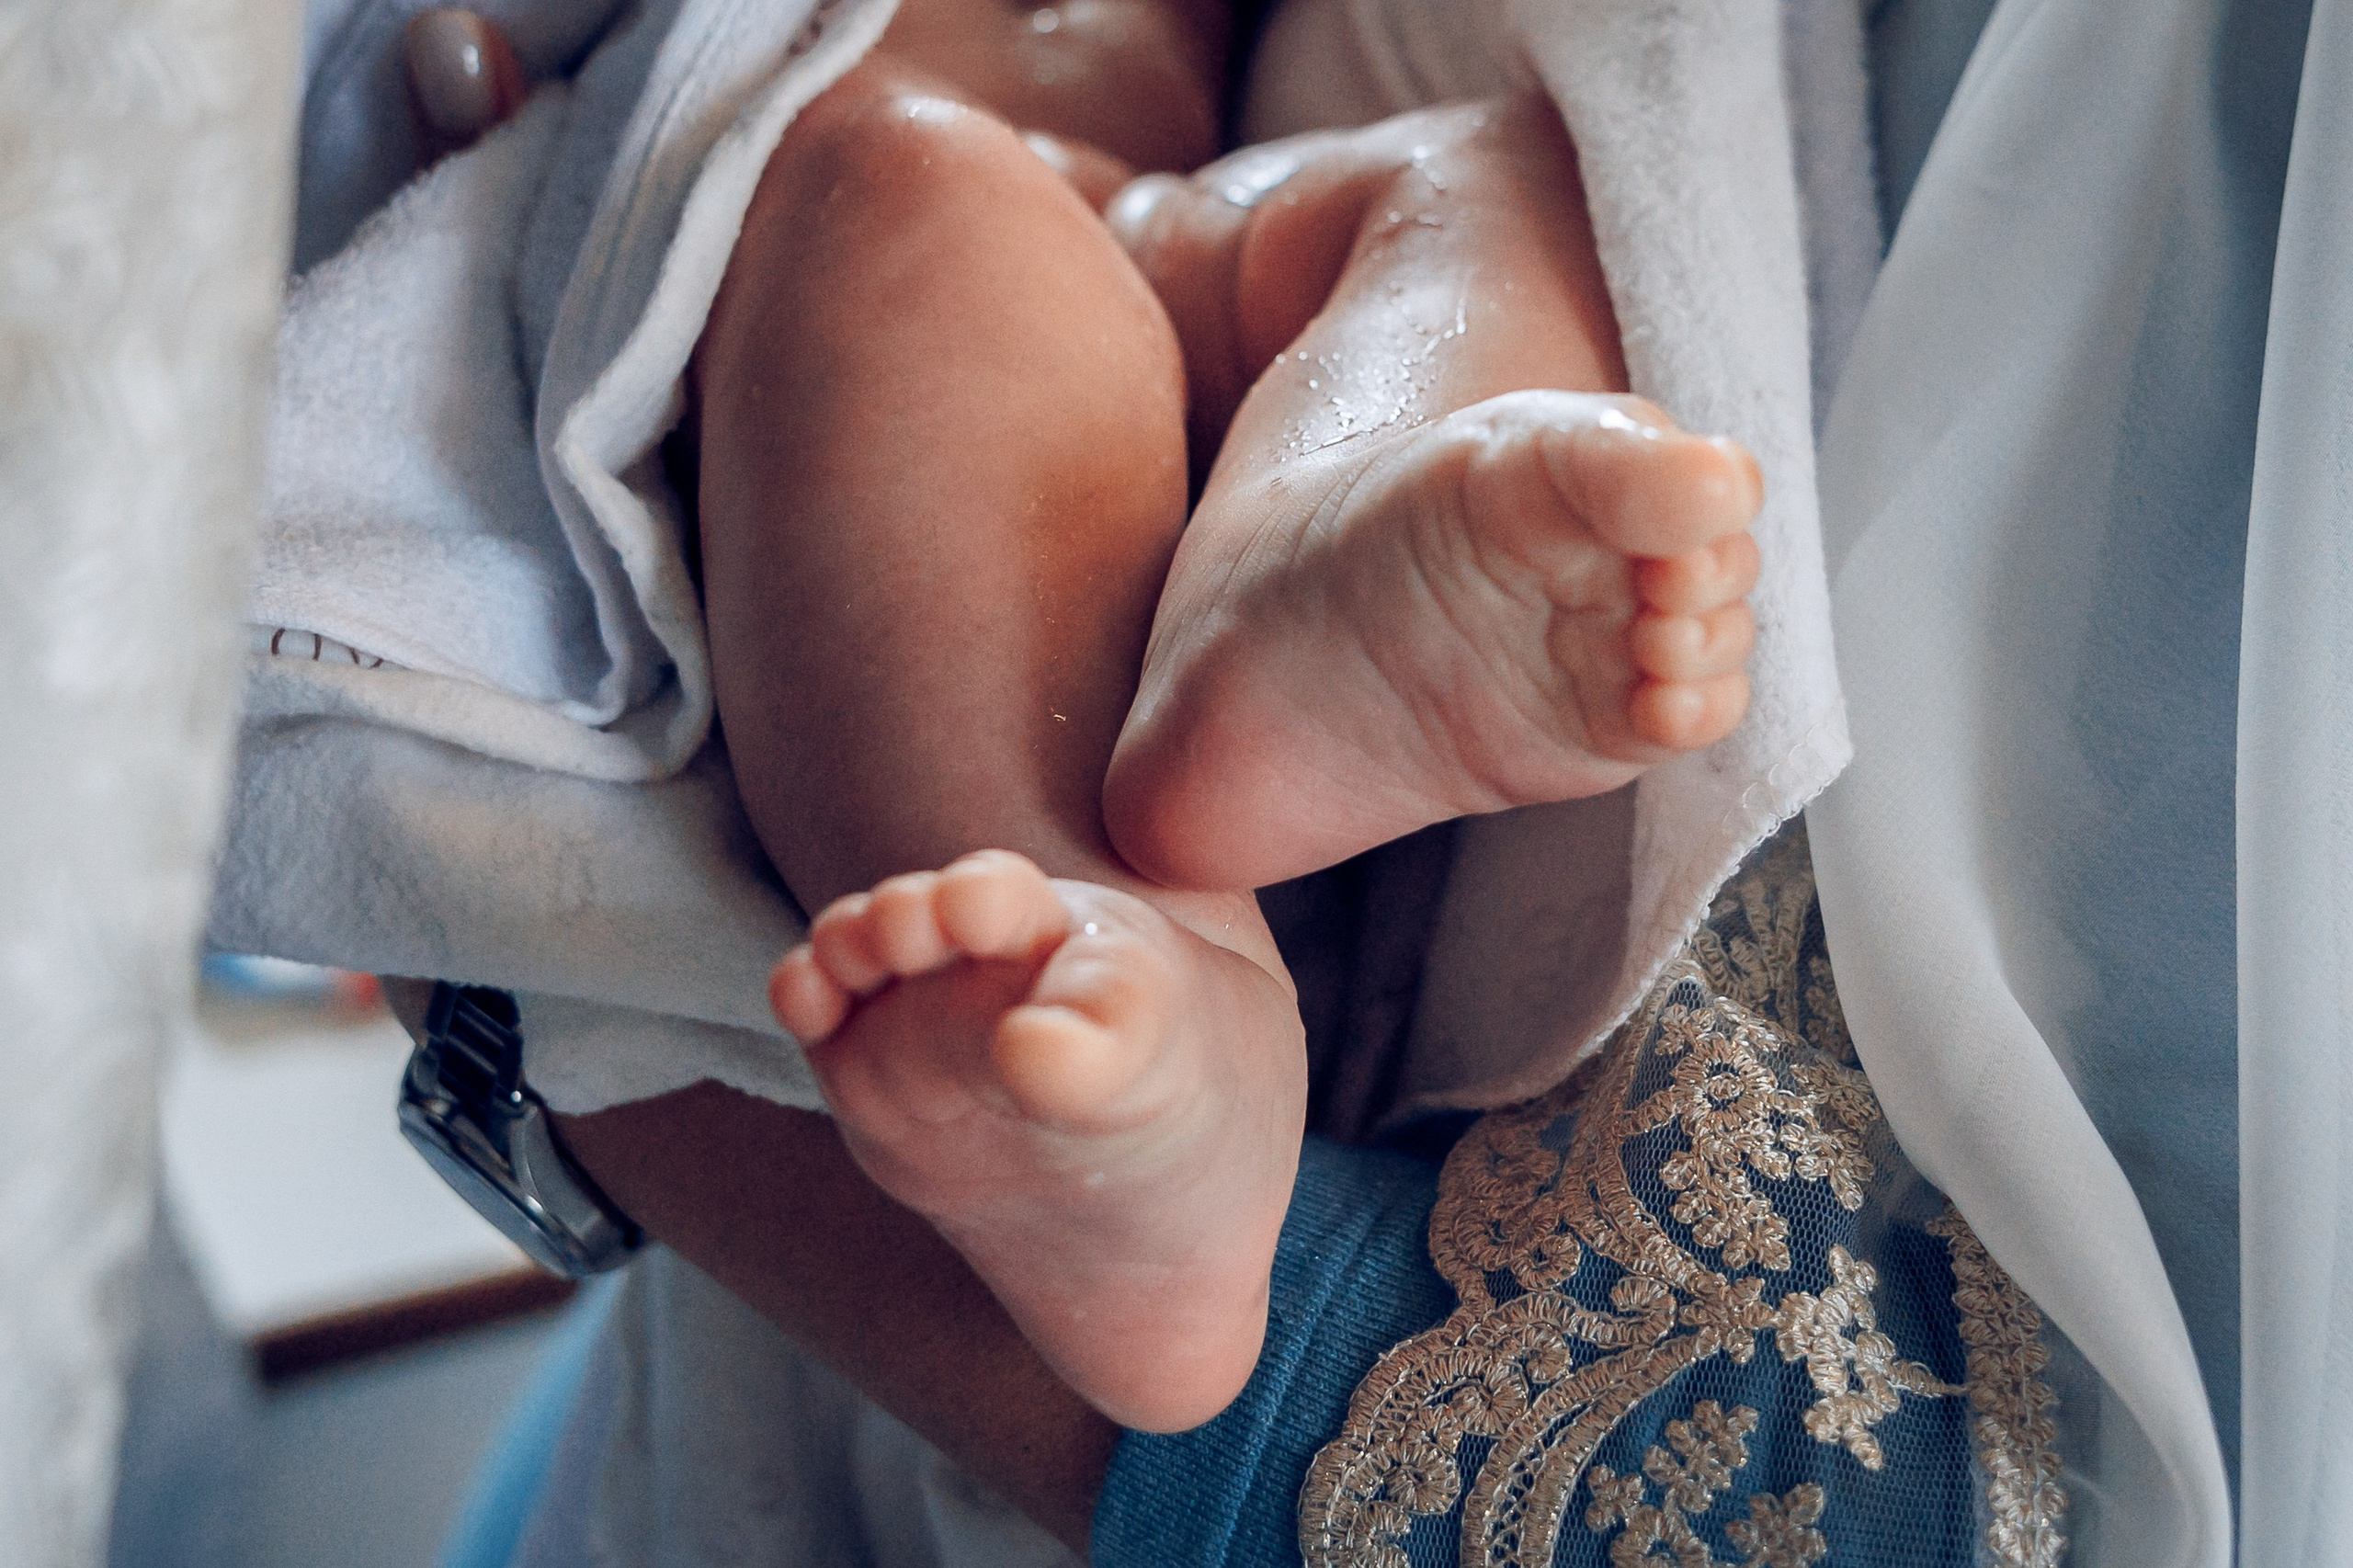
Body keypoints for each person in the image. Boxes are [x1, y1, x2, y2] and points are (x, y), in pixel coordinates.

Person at [694, 0, 1760, 1430]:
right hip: (901, 236)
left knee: (1497, 172)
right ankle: (1137, 992)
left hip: (1183, 219)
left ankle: (1318, 538)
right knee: (909, 188)